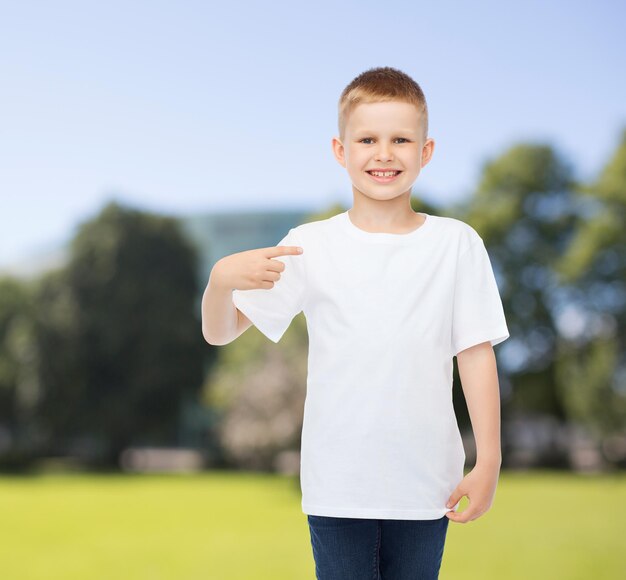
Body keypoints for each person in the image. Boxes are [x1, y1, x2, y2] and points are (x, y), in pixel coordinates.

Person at [201, 66, 510, 580]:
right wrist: (218, 281)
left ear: (426, 151)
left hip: (427, 486)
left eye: (401, 139)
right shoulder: (311, 244)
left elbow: (475, 354)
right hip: (337, 487)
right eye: (367, 139)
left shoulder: (456, 244)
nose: (384, 153)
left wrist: (490, 461)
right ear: (341, 151)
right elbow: (220, 331)